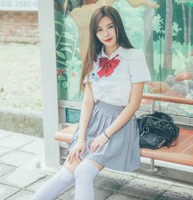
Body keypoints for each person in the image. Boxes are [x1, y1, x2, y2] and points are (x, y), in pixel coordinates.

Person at [31, 6, 150, 200]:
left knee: (84, 172)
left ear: (118, 26)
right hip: (93, 121)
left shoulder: (133, 57)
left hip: (119, 124)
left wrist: (105, 135)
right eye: (100, 29)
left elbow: (133, 104)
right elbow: (88, 103)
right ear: (94, 33)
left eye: (110, 27)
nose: (106, 33)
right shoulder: (94, 58)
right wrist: (80, 139)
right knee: (65, 174)